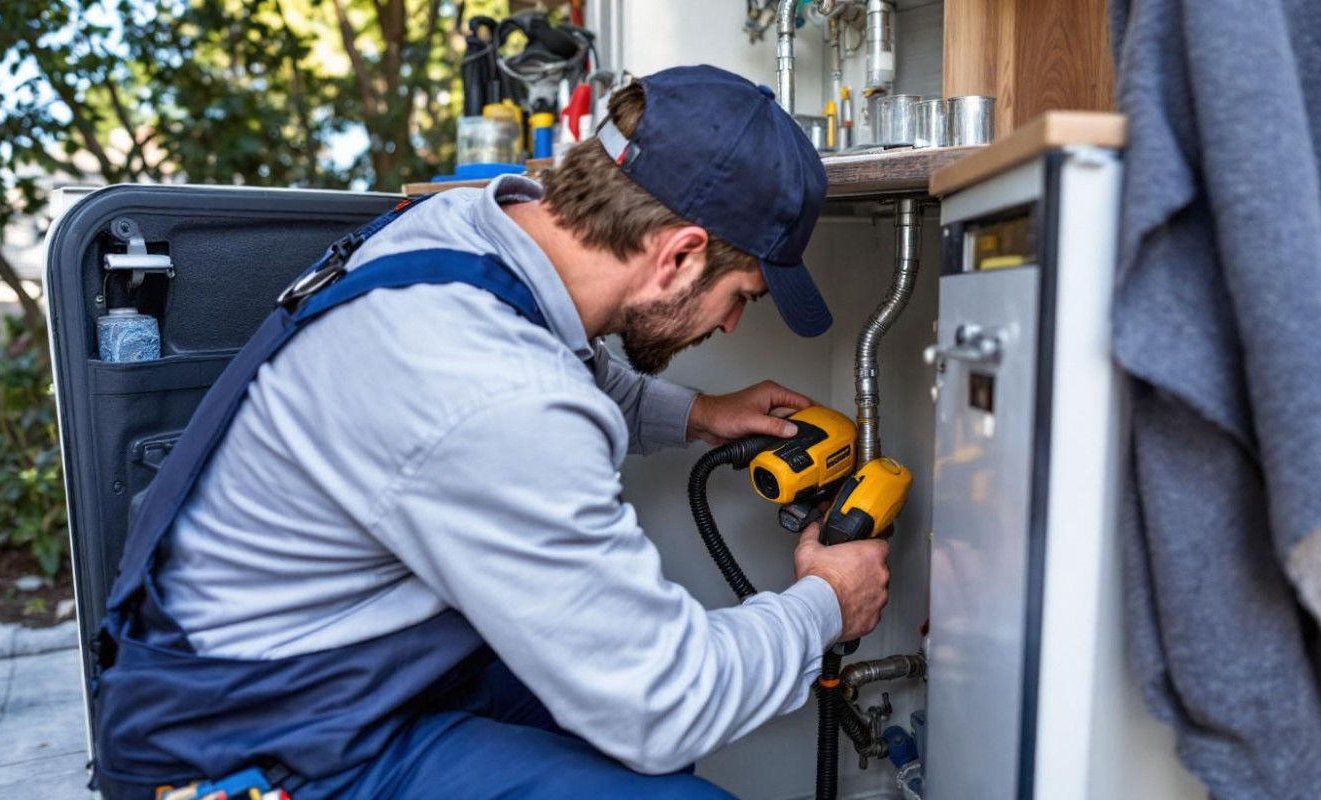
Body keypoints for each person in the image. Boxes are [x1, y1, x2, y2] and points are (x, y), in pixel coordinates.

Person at [91, 65, 891, 799]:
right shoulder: (495, 392)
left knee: (614, 741)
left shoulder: (471, 228)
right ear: (679, 256)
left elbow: (568, 367)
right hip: (249, 740)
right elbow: (665, 703)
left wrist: (697, 414)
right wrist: (827, 602)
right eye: (744, 293)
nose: (731, 322)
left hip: (338, 663)